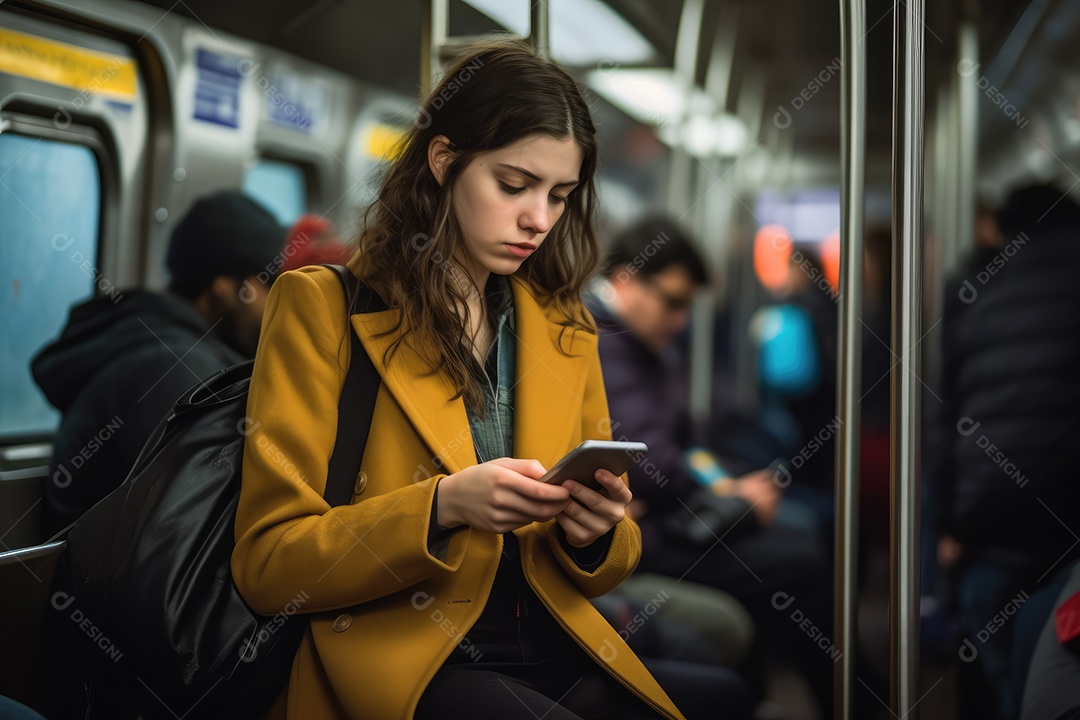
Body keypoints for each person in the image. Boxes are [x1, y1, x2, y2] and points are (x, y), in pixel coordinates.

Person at [232, 41, 719, 720]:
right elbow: (268, 563)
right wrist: (442, 508)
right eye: (514, 186)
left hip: (546, 632)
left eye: (559, 195)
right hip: (404, 651)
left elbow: (615, 555)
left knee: (727, 696)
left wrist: (597, 532)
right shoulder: (322, 308)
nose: (539, 220)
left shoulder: (562, 326)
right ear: (443, 161)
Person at [584, 217, 835, 716]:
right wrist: (733, 498)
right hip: (638, 532)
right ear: (627, 279)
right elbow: (651, 459)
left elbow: (689, 447)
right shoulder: (605, 342)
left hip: (668, 514)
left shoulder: (648, 343)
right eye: (672, 303)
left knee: (799, 539)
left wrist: (728, 485)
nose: (680, 320)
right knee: (797, 556)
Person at [32, 190, 285, 534]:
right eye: (267, 283)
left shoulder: (159, 344)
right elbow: (194, 524)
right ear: (225, 285)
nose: (274, 305)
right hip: (120, 584)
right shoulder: (177, 370)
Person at [934, 185, 1080, 720]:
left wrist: (949, 526)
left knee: (995, 676)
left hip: (986, 526)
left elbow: (946, 420)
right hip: (1063, 524)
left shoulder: (975, 287)